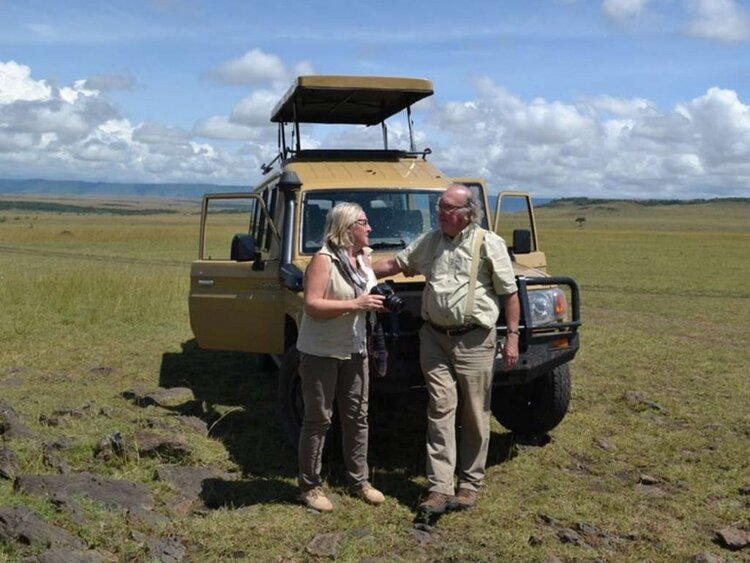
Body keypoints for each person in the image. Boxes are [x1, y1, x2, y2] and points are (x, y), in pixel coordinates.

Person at [373, 184, 520, 514]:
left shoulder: (488, 243)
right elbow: (395, 264)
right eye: (439, 206)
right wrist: (349, 270)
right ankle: (439, 487)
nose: (440, 213)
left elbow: (509, 293)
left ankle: (469, 484)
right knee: (440, 407)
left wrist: (512, 337)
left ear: (468, 213)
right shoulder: (431, 240)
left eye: (448, 208)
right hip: (434, 339)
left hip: (474, 340)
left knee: (475, 412)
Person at [295, 202, 387, 512]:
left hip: (356, 348)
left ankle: (359, 481)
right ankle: (309, 486)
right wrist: (356, 305)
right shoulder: (323, 259)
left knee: (357, 417)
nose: (370, 228)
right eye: (364, 222)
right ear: (347, 227)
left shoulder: (363, 258)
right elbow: (312, 305)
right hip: (321, 350)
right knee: (318, 419)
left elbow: (369, 292)